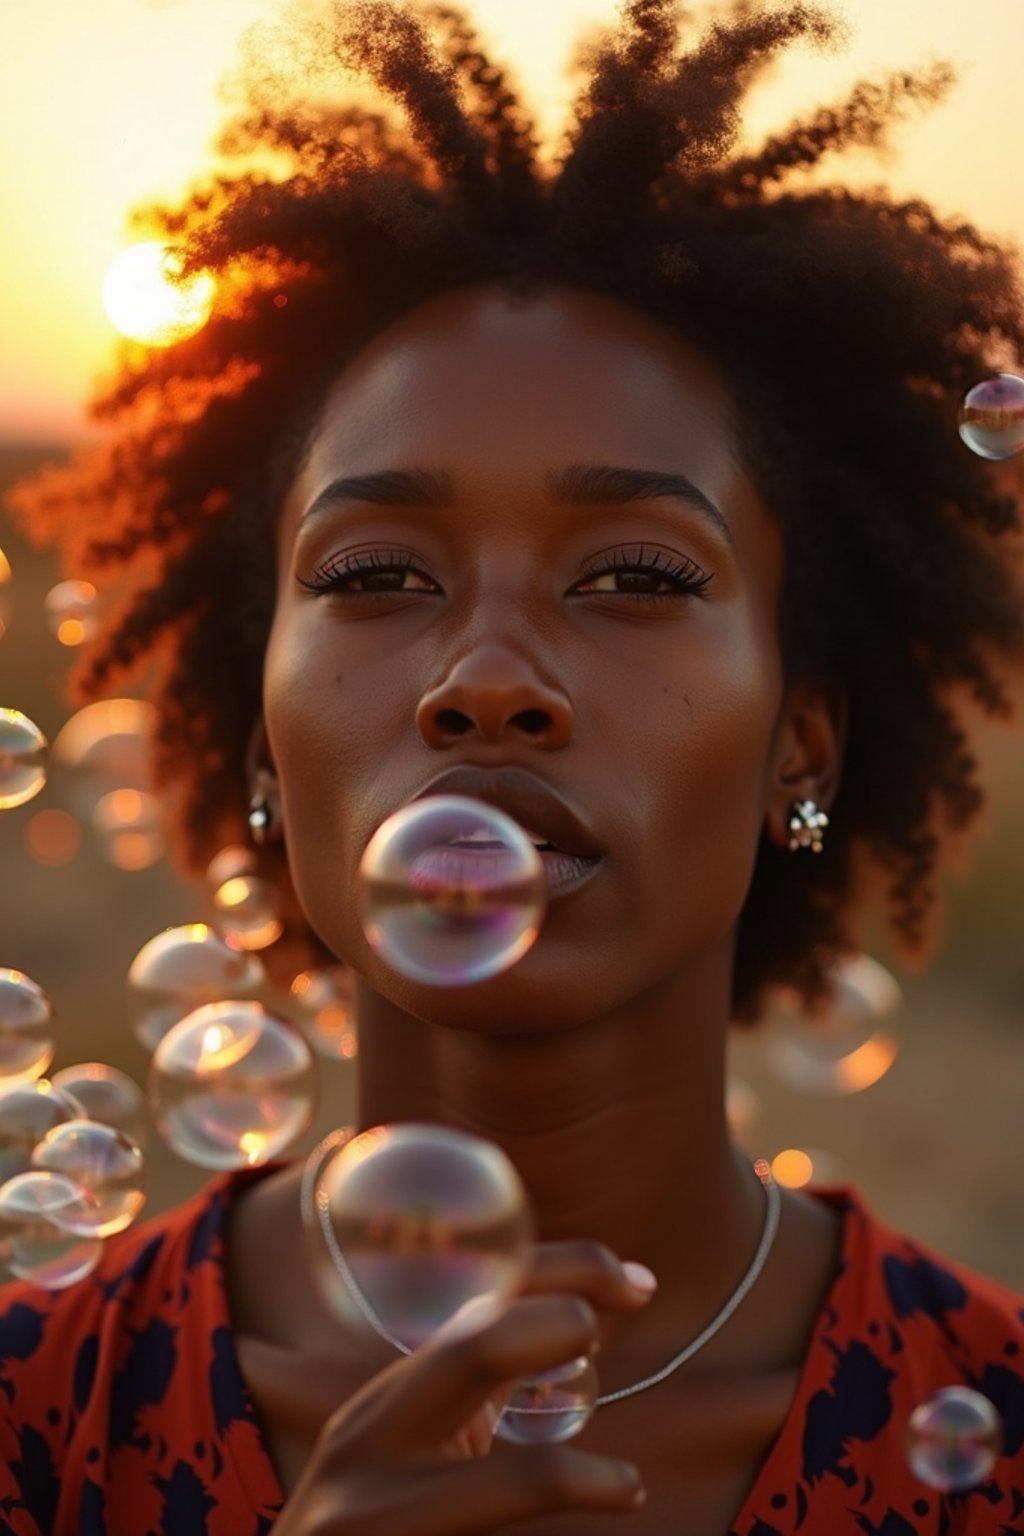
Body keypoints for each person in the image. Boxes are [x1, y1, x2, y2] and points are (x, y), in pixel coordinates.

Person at [2, 0, 1023, 1530]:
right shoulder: (39, 1414)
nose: (488, 681)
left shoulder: (995, 1434)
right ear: (259, 736)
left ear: (797, 741)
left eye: (638, 577)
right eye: (376, 578)